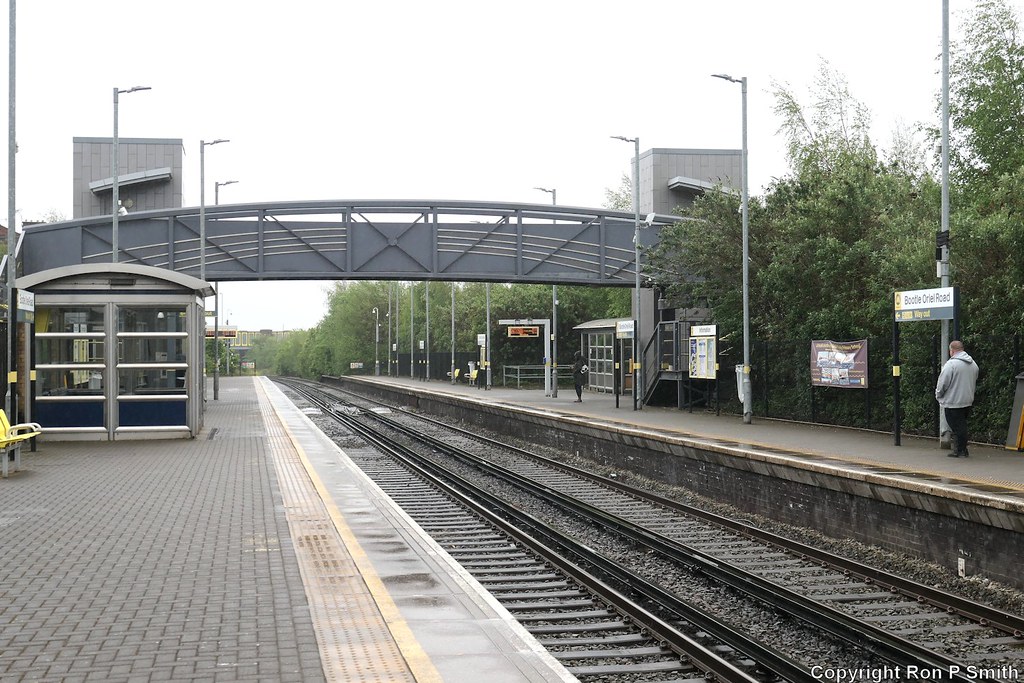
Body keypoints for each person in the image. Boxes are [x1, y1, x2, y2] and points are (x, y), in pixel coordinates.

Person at [935, 340, 979, 458]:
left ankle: (960, 450)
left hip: (953, 401)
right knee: (962, 425)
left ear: (952, 350)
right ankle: (962, 449)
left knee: (957, 427)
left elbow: (943, 383)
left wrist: (939, 395)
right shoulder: (973, 363)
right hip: (967, 400)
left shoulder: (951, 365)